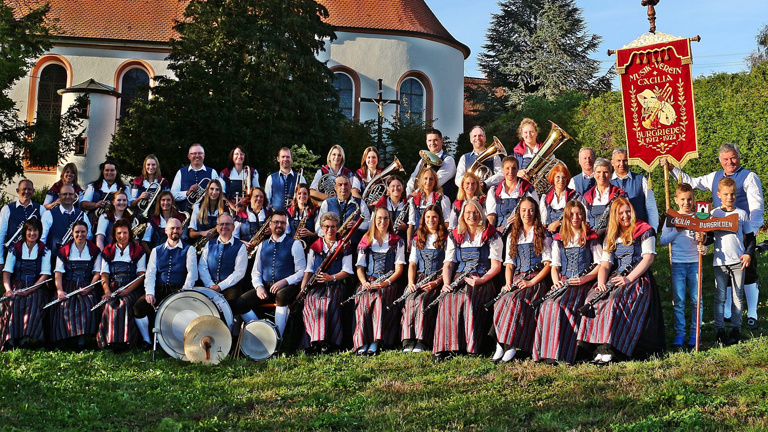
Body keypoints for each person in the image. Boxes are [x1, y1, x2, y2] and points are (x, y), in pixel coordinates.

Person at [662, 143, 764, 329]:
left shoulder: (749, 177)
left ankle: (753, 313)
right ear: (720, 160)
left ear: (738, 157)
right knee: (724, 269)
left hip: (742, 231)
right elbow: (692, 182)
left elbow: (757, 208)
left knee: (747, 273)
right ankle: (726, 311)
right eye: (725, 159)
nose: (730, 162)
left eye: (733, 158)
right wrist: (672, 169)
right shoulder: (714, 177)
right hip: (721, 232)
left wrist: (750, 233)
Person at [577, 198, 664, 364]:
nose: (625, 216)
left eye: (628, 211)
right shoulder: (612, 234)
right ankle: (596, 347)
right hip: (617, 276)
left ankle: (611, 348)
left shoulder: (645, 230)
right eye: (621, 213)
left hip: (637, 278)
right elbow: (605, 264)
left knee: (613, 301)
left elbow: (648, 259)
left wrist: (628, 278)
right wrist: (601, 283)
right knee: (592, 299)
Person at [433, 200, 502, 360]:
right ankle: (446, 347)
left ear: (481, 213)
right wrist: (446, 284)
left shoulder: (491, 235)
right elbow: (448, 263)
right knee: (448, 299)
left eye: (476, 212)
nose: (472, 216)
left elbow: (496, 266)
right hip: (460, 276)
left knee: (468, 298)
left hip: (482, 278)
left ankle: (471, 346)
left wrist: (481, 280)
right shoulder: (456, 235)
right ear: (463, 215)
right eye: (468, 213)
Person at [534, 200, 601, 365]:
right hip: (564, 281)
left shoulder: (590, 236)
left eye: (579, 214)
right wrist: (556, 282)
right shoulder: (559, 238)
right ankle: (545, 353)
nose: (575, 217)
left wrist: (584, 279)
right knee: (547, 304)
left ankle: (562, 353)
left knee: (560, 305)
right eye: (572, 214)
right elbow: (555, 266)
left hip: (582, 284)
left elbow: (600, 264)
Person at [491, 197, 552, 363]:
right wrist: (508, 283)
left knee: (514, 300)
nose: (527, 214)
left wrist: (531, 282)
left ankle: (510, 344)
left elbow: (548, 264)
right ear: (519, 212)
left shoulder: (542, 233)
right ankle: (500, 343)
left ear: (536, 212)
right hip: (518, 278)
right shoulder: (513, 234)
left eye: (531, 210)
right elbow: (509, 265)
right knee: (501, 300)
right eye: (524, 210)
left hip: (535, 280)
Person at [236, 210, 306, 338]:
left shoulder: (295, 244)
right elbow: (256, 271)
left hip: (287, 288)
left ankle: (277, 338)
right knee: (241, 302)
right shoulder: (262, 245)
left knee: (282, 296)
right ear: (270, 225)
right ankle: (262, 334)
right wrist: (258, 286)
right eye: (276, 222)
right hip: (266, 287)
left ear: (286, 225)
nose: (279, 225)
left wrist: (284, 281)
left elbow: (301, 271)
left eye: (282, 223)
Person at [133, 218, 198, 350]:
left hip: (178, 290)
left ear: (182, 230)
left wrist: (184, 292)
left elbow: (192, 274)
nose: (175, 231)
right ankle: (147, 340)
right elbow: (150, 273)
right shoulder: (156, 251)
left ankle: (174, 343)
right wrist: (150, 293)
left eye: (178, 228)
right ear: (166, 230)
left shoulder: (189, 249)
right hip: (159, 289)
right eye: (172, 228)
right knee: (139, 307)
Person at [351, 207, 406, 355]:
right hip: (369, 280)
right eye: (379, 218)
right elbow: (360, 268)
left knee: (379, 298)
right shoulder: (366, 239)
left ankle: (376, 341)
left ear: (390, 220)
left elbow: (399, 270)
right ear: (374, 220)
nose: (382, 221)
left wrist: (385, 283)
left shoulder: (397, 241)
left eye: (386, 218)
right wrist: (364, 282)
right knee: (363, 297)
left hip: (388, 282)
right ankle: (362, 341)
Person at [299, 212, 354, 353]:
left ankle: (329, 341)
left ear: (337, 228)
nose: (330, 230)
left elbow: (347, 271)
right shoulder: (314, 246)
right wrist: (302, 290)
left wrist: (331, 278)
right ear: (322, 228)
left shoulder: (344, 246)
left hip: (336, 284)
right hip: (317, 286)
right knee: (311, 300)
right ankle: (315, 342)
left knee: (327, 301)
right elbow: (309, 270)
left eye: (333, 227)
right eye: (327, 227)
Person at [709, 177, 755, 345]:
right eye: (726, 194)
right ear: (719, 194)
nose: (730, 197)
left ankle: (736, 328)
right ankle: (719, 330)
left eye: (733, 194)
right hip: (720, 262)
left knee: (738, 296)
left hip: (738, 261)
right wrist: (702, 237)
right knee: (720, 296)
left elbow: (750, 237)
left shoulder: (741, 214)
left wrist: (748, 253)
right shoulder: (714, 214)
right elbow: (708, 236)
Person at [660, 183, 705, 348]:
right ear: (676, 200)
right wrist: (677, 230)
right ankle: (680, 333)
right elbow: (663, 241)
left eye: (690, 199)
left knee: (696, 300)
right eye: (683, 199)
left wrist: (703, 243)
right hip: (678, 263)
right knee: (679, 300)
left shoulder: (699, 217)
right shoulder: (671, 218)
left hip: (695, 262)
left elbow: (704, 240)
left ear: (693, 200)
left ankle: (696, 333)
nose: (687, 203)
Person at [402, 205, 447, 353]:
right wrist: (410, 282)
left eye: (434, 217)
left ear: (439, 218)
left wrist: (437, 282)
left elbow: (448, 265)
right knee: (410, 299)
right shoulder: (418, 237)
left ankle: (422, 340)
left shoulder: (445, 238)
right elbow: (413, 263)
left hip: (437, 278)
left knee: (422, 301)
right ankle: (409, 339)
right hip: (420, 276)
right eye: (428, 217)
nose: (431, 220)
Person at [0, 219, 51, 350]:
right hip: (17, 284)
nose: (32, 233)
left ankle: (25, 339)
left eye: (35, 230)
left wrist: (29, 290)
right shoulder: (15, 248)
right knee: (13, 301)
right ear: (25, 232)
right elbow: (7, 272)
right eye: (29, 230)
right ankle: (10, 339)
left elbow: (44, 275)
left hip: (36, 286)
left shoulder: (45, 250)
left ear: (39, 232)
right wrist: (8, 289)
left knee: (32, 302)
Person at [50, 220, 102, 349]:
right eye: (77, 232)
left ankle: (81, 340)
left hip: (86, 284)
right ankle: (64, 338)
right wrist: (60, 291)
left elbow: (97, 273)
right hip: (68, 284)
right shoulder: (64, 250)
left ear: (87, 232)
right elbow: (58, 273)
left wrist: (89, 287)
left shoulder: (94, 250)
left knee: (86, 304)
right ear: (72, 233)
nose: (80, 235)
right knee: (63, 305)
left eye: (83, 232)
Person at [97, 219, 146, 351]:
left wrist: (127, 290)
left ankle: (126, 341)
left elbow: (141, 275)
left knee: (124, 304)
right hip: (113, 287)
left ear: (129, 234)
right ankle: (110, 341)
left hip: (131, 287)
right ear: (114, 235)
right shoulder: (108, 250)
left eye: (125, 233)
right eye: (119, 233)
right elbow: (104, 274)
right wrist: (107, 291)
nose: (122, 236)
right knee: (109, 305)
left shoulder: (138, 250)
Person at [197, 213, 247, 309]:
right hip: (209, 285)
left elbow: (239, 272)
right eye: (221, 224)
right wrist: (210, 284)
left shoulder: (240, 246)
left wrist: (220, 286)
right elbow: (202, 266)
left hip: (230, 287)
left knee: (227, 306)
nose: (224, 226)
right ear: (217, 227)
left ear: (233, 227)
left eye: (227, 224)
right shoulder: (209, 244)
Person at [610, 148, 659, 229]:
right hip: (616, 231)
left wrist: (653, 230)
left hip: (639, 230)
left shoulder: (641, 180)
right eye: (618, 160)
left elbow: (651, 207)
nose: (621, 163)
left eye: (625, 160)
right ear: (612, 162)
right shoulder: (607, 182)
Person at [0, 179, 45, 266]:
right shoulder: (7, 209)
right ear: (18, 191)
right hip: (13, 255)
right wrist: (0, 259)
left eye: (29, 189)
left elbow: (43, 234)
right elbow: (1, 234)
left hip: (34, 255)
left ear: (33, 191)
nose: (26, 192)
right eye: (24, 189)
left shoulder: (41, 209)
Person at [487, 156, 538, 232]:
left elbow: (536, 211)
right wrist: (491, 233)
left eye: (514, 168)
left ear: (518, 169)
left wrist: (521, 217)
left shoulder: (527, 189)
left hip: (521, 230)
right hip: (500, 232)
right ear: (503, 170)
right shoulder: (494, 191)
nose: (510, 172)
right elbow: (491, 216)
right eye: (507, 168)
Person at [41, 184, 92, 257]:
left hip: (76, 258)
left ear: (74, 196)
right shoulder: (48, 214)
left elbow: (89, 236)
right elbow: (42, 239)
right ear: (59, 196)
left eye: (70, 194)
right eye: (64, 194)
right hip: (54, 258)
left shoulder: (82, 215)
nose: (68, 196)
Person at [315, 176, 370, 241]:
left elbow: (368, 223)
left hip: (355, 244)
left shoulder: (360, 203)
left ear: (351, 186)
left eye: (346, 184)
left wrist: (357, 225)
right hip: (333, 245)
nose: (343, 187)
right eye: (340, 185)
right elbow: (318, 226)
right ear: (335, 187)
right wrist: (328, 235)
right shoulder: (326, 203)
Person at [406, 129, 457, 198]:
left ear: (441, 141)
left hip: (439, 203)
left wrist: (415, 193)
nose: (432, 143)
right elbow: (413, 178)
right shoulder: (423, 160)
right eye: (429, 140)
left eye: (435, 140)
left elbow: (436, 181)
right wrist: (409, 194)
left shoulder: (448, 160)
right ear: (426, 142)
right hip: (419, 201)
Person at [581, 158, 626, 236]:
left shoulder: (619, 194)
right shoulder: (588, 196)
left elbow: (625, 219)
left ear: (610, 175)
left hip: (614, 235)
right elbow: (584, 220)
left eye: (605, 172)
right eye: (598, 172)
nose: (602, 175)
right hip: (593, 237)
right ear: (594, 175)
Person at [407, 168, 450, 247]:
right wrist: (409, 242)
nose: (428, 182)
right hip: (419, 239)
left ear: (435, 181)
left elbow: (447, 223)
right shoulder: (414, 200)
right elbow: (411, 225)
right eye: (425, 178)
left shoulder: (442, 199)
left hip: (436, 239)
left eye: (431, 179)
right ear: (421, 181)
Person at [171, 144, 221, 212]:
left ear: (204, 156)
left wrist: (206, 197)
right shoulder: (181, 172)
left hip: (206, 213)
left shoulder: (212, 172)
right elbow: (173, 195)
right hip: (185, 214)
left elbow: (219, 193)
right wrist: (187, 193)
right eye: (194, 153)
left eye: (200, 153)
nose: (197, 156)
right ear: (189, 156)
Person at [454, 126, 503, 190]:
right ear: (471, 140)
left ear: (485, 138)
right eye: (474, 136)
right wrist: (471, 184)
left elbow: (501, 175)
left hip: (489, 195)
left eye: (480, 135)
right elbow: (458, 179)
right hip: (470, 196)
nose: (477, 138)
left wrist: (485, 183)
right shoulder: (464, 158)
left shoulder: (495, 157)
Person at [539, 164, 580, 236]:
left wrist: (560, 223)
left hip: (569, 235)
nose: (561, 180)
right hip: (550, 238)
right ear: (553, 178)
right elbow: (544, 224)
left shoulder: (575, 196)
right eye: (558, 177)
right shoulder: (545, 198)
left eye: (564, 177)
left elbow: (580, 220)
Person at [264, 147, 306, 211]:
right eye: (283, 157)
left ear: (292, 159)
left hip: (294, 217)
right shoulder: (271, 178)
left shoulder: (300, 178)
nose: (285, 159)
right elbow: (267, 201)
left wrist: (296, 202)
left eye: (288, 157)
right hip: (276, 217)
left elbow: (305, 199)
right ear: (278, 159)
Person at [188, 179, 227, 246]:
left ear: (220, 192)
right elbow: (191, 233)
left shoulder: (224, 209)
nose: (214, 192)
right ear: (207, 190)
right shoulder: (197, 207)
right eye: (212, 189)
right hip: (200, 246)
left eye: (217, 190)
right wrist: (202, 233)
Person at [374, 177, 408, 241]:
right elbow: (373, 223)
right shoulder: (381, 204)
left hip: (402, 240)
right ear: (388, 188)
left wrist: (406, 227)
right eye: (393, 186)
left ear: (403, 187)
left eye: (398, 186)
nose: (396, 188)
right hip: (383, 239)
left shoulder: (408, 204)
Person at [286, 183, 318, 250]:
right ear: (296, 195)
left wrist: (309, 234)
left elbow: (319, 234)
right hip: (292, 246)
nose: (302, 196)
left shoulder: (314, 211)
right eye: (299, 193)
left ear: (308, 196)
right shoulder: (289, 211)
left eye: (305, 194)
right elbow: (286, 233)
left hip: (309, 247)